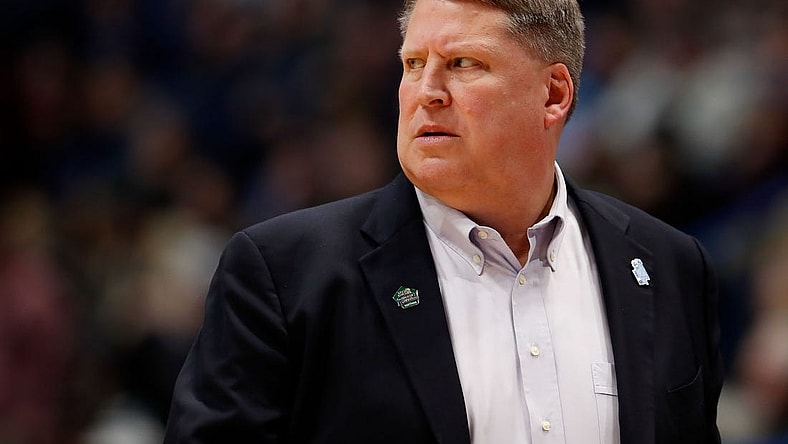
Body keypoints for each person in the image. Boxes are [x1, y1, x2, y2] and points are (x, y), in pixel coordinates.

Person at [163, 0, 724, 442]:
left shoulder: (668, 265)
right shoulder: (285, 273)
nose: (426, 93)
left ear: (553, 94)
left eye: (462, 64)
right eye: (413, 64)